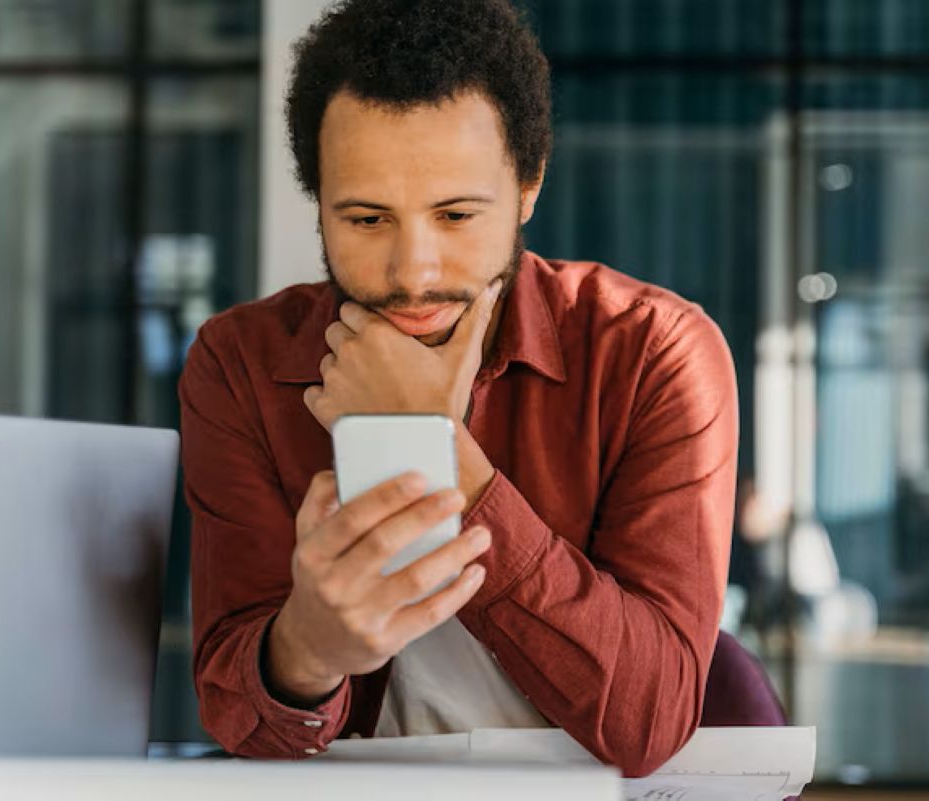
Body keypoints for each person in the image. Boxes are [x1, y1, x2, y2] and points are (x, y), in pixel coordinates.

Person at [179, 0, 737, 778]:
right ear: (320, 201)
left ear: (528, 187)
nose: (415, 272)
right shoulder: (240, 363)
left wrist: (435, 442)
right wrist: (308, 648)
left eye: (455, 214)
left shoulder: (652, 351)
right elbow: (239, 717)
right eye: (368, 219)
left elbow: (649, 718)